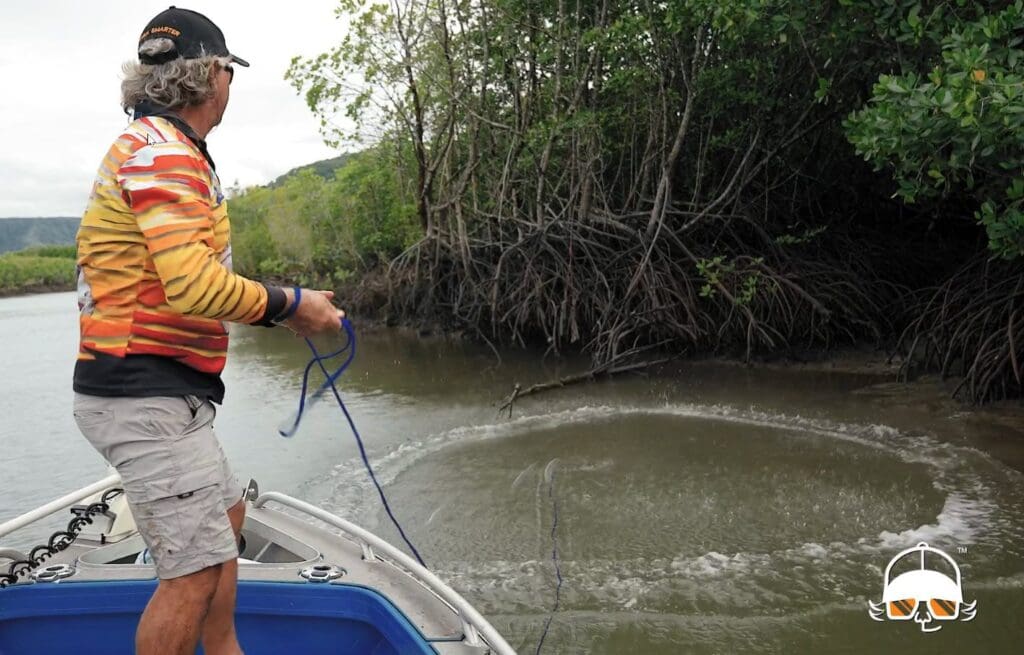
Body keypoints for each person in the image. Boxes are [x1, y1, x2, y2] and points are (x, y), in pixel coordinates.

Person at [72, 7, 342, 655]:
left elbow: (183, 280)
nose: (230, 84)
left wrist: (278, 304)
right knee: (189, 574)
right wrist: (292, 304)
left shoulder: (157, 147)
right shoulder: (164, 156)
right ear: (208, 76)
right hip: (142, 395)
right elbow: (191, 286)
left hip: (161, 392)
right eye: (227, 70)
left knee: (228, 516)